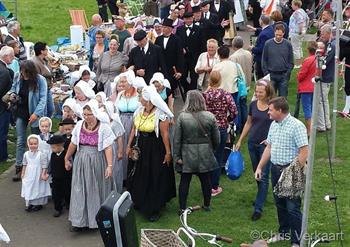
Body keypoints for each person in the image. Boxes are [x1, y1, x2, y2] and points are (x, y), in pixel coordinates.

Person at [254, 97, 308, 247]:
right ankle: (284, 233)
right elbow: (269, 147)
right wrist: (259, 167)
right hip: (275, 170)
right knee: (280, 204)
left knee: (292, 208)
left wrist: (294, 172)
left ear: (279, 110)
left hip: (291, 171)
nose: (268, 113)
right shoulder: (274, 125)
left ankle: (296, 241)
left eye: (270, 110)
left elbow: (304, 151)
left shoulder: (297, 126)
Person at [126, 85, 176, 222]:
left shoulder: (160, 114)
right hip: (140, 145)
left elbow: (165, 135)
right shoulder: (139, 111)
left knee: (153, 175)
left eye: (141, 96)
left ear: (148, 99)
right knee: (138, 173)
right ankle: (139, 200)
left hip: (154, 148)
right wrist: (128, 145)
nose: (139, 98)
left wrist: (168, 152)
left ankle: (154, 207)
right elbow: (133, 129)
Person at [65, 99, 115, 231]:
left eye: (89, 114)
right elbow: (74, 143)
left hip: (97, 161)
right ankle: (78, 221)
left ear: (95, 113)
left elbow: (108, 148)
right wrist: (67, 157)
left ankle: (96, 220)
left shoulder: (104, 128)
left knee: (96, 190)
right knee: (79, 189)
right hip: (81, 161)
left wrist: (109, 166)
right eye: (85, 114)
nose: (86, 117)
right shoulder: (80, 125)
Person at [235, 79, 275, 221]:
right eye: (256, 91)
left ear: (268, 92)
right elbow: (248, 122)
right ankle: (261, 196)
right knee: (256, 173)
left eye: (260, 92)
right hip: (252, 144)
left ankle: (258, 208)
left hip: (266, 146)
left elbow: (279, 124)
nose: (257, 94)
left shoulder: (273, 106)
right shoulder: (252, 105)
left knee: (263, 176)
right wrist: (240, 140)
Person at [174, 90, 220, 212]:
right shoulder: (210, 116)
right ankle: (207, 205)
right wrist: (212, 149)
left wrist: (177, 156)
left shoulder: (182, 117)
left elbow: (177, 139)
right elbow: (217, 139)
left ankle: (182, 208)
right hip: (205, 152)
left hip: (187, 153)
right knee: (206, 180)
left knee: (185, 181)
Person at [10, 60, 48, 182]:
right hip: (21, 112)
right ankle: (19, 167)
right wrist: (12, 95)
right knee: (21, 140)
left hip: (34, 113)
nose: (23, 74)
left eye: (25, 72)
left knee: (37, 140)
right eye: (22, 72)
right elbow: (13, 89)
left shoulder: (40, 80)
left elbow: (43, 99)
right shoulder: (18, 76)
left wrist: (36, 114)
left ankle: (39, 167)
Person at [203, 71, 237, 196]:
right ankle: (214, 186)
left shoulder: (205, 95)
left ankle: (205, 184)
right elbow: (234, 111)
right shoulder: (225, 95)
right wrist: (227, 120)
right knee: (218, 156)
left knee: (207, 156)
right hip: (221, 128)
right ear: (220, 80)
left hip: (206, 128)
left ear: (209, 80)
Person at [114, 70, 140, 182]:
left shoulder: (138, 94)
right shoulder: (120, 94)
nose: (122, 84)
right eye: (121, 82)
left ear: (130, 81)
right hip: (121, 122)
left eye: (124, 81)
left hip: (134, 122)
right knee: (122, 147)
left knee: (132, 146)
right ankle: (123, 175)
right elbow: (116, 110)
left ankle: (133, 174)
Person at [262, 24, 294, 97]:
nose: (278, 37)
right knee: (271, 98)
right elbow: (264, 60)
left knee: (283, 98)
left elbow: (291, 61)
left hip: (283, 75)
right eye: (276, 35)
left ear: (283, 33)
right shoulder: (268, 44)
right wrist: (267, 73)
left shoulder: (288, 44)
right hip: (271, 75)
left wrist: (287, 73)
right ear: (274, 33)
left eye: (280, 35)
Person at [21, 134, 51, 212]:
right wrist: (23, 173)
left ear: (38, 144)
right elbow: (24, 164)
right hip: (29, 173)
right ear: (28, 144)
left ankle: (38, 204)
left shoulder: (41, 154)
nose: (33, 146)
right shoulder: (26, 154)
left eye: (35, 144)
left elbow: (44, 165)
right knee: (29, 187)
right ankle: (30, 203)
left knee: (37, 187)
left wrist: (43, 173)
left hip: (38, 173)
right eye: (31, 144)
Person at [177, 12, 203, 93]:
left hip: (195, 57)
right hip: (183, 58)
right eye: (186, 19)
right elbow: (177, 42)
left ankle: (192, 93)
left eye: (190, 18)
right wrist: (181, 49)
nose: (188, 20)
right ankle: (187, 89)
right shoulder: (179, 29)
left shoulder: (199, 29)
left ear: (193, 18)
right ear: (183, 19)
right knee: (182, 76)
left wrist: (201, 57)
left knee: (194, 76)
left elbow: (202, 44)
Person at [155, 18, 184, 92]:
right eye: (163, 27)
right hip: (161, 67)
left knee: (171, 88)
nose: (163, 29)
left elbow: (180, 56)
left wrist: (179, 70)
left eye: (165, 27)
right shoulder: (158, 39)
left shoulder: (177, 39)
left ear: (170, 29)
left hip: (172, 67)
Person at [316, 24, 335, 132]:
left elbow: (324, 61)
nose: (321, 36)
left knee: (320, 101)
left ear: (328, 33)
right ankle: (326, 123)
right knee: (324, 101)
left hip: (325, 77)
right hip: (327, 77)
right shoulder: (328, 44)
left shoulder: (331, 46)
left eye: (323, 34)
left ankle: (321, 125)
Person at [47, 135, 72, 217]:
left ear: (60, 145)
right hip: (55, 178)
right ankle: (58, 208)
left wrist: (69, 166)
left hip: (66, 178)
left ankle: (68, 203)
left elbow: (71, 163)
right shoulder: (53, 155)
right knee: (55, 194)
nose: (52, 149)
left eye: (53, 147)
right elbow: (51, 165)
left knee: (67, 192)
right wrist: (48, 173)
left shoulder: (66, 154)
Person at [104, 101, 125, 192]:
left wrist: (120, 151)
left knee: (114, 168)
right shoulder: (103, 121)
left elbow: (119, 138)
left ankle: (115, 189)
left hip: (113, 147)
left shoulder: (115, 123)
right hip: (105, 147)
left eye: (105, 110)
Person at [297, 41, 317, 135]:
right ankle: (313, 127)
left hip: (306, 88)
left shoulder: (308, 60)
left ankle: (309, 130)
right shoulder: (318, 59)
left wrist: (298, 76)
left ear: (308, 49)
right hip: (315, 87)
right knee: (312, 108)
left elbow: (302, 75)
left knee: (307, 109)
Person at [31, 42, 55, 117]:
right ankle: (44, 125)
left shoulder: (45, 60)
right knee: (45, 110)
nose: (47, 51)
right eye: (46, 49)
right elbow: (38, 77)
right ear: (42, 51)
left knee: (51, 109)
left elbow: (48, 71)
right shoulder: (35, 62)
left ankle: (46, 124)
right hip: (42, 90)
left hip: (48, 88)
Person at [0, 46, 15, 162]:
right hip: (2, 107)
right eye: (12, 56)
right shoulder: (5, 73)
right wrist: (7, 104)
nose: (14, 58)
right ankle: (3, 156)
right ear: (6, 56)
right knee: (2, 132)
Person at [249, 15, 274, 79]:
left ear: (262, 22)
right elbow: (263, 30)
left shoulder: (263, 35)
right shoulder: (271, 28)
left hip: (262, 59)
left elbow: (261, 49)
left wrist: (252, 48)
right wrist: (255, 29)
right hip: (270, 56)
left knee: (262, 77)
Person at [289, 0, 309, 68]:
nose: (291, 6)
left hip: (296, 32)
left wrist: (300, 31)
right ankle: (300, 62)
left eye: (292, 4)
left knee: (295, 48)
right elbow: (307, 19)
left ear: (296, 5)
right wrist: (305, 29)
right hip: (302, 31)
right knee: (299, 47)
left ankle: (297, 64)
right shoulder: (302, 11)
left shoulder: (297, 12)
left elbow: (300, 22)